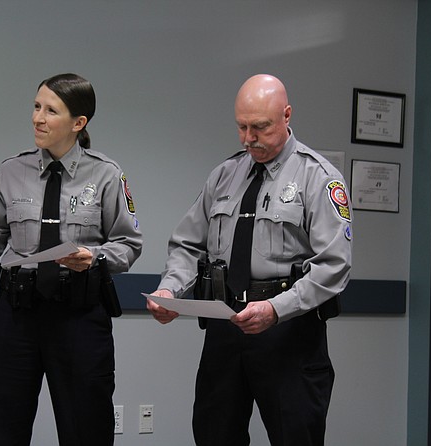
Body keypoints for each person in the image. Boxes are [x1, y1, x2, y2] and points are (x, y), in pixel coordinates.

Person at [0, 73, 142, 446]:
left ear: (78, 123)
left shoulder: (107, 175)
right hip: (16, 317)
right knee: (0, 429)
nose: (38, 118)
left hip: (78, 316)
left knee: (87, 430)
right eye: (36, 107)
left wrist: (93, 257)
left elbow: (128, 244)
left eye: (51, 110)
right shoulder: (11, 171)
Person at [147, 74, 352, 446]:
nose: (248, 138)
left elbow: (333, 265)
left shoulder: (317, 177)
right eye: (241, 126)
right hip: (226, 329)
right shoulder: (225, 175)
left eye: (260, 127)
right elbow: (187, 244)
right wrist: (169, 288)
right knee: (213, 433)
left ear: (287, 115)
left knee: (296, 436)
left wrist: (275, 309)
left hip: (288, 331)